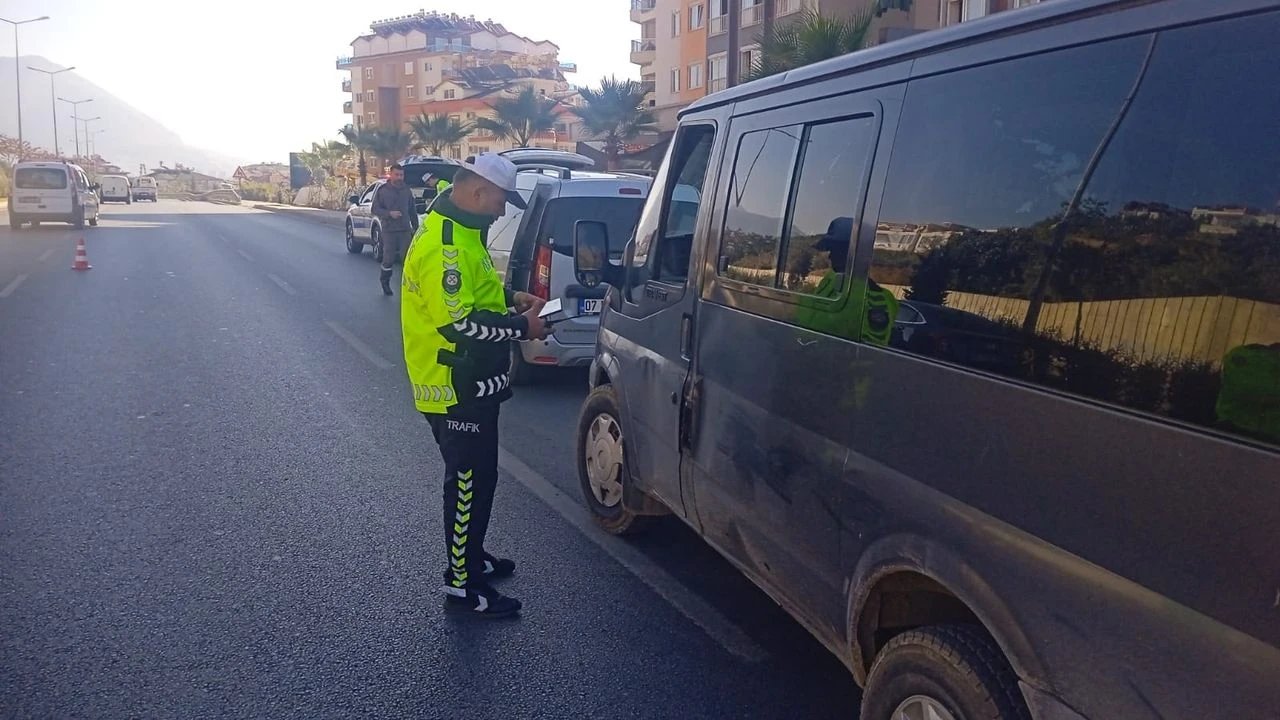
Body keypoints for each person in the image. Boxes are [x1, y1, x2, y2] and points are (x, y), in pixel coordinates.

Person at [400, 153, 551, 618]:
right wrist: (523, 328)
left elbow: (474, 291)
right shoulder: (446, 246)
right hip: (454, 383)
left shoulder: (463, 231)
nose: (503, 211)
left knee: (481, 478)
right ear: (479, 191)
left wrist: (511, 298)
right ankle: (463, 587)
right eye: (502, 200)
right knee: (468, 483)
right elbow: (459, 324)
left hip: (473, 380)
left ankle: (472, 555)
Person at [372, 163, 419, 296]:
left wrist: (416, 228)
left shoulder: (406, 190)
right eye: (397, 174)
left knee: (408, 259)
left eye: (401, 175)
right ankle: (385, 282)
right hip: (389, 230)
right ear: (391, 174)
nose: (399, 177)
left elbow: (412, 210)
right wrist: (389, 214)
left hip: (405, 229)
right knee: (389, 258)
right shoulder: (383, 190)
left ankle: (408, 286)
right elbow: (374, 209)